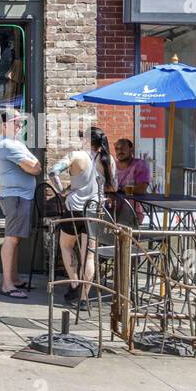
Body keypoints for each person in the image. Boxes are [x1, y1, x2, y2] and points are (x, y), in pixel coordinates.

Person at [50, 126, 117, 307]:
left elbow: (52, 172)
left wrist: (62, 191)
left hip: (74, 209)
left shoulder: (76, 156)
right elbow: (113, 187)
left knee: (66, 246)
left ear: (87, 140)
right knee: (89, 255)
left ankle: (74, 283)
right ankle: (84, 297)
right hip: (95, 211)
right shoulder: (109, 159)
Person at [0, 107, 41, 299]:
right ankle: (7, 285)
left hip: (21, 197)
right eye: (16, 122)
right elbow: (34, 168)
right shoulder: (7, 145)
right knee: (11, 239)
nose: (20, 125)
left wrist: (34, 165)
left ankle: (14, 278)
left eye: (21, 122)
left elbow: (36, 165)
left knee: (15, 239)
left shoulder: (15, 143)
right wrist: (33, 165)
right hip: (16, 198)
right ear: (4, 126)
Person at [112, 136, 151, 222]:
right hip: (111, 211)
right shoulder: (112, 165)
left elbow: (141, 189)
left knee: (127, 235)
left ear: (131, 149)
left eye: (123, 148)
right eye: (117, 149)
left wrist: (119, 188)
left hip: (132, 213)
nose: (119, 151)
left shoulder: (141, 165)